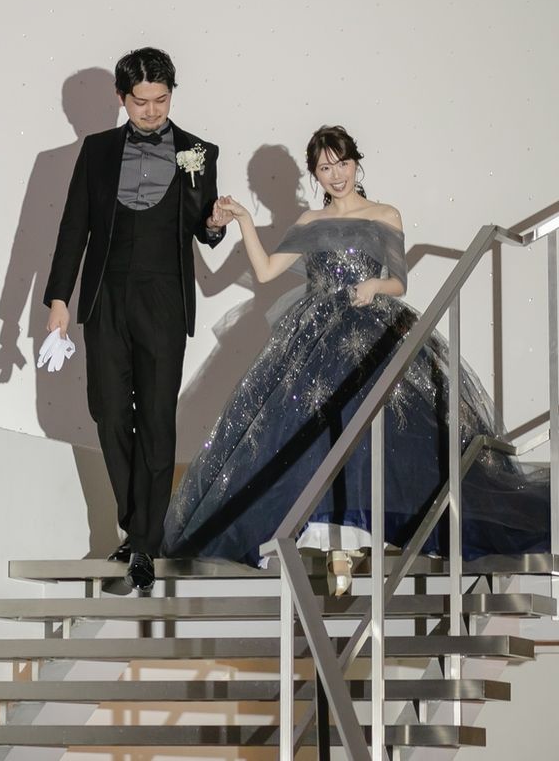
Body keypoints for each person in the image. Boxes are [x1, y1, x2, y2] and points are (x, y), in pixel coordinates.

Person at [162, 124, 550, 592]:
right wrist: (243, 218)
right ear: (314, 175)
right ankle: (334, 547)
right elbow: (264, 271)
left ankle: (366, 538)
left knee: (379, 431)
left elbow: (399, 282)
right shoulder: (309, 222)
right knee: (316, 434)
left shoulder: (385, 214)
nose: (336, 174)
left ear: (356, 163)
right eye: (325, 167)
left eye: (342, 163)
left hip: (373, 327)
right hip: (316, 334)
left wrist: (375, 285)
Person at [44, 47, 232, 592]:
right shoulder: (98, 151)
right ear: (121, 98)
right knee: (107, 410)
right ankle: (138, 523)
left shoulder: (198, 152)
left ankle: (143, 541)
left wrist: (216, 224)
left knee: (156, 418)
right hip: (106, 295)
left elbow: (204, 228)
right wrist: (59, 300)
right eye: (141, 102)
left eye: (161, 100)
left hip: (164, 298)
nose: (152, 111)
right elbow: (74, 226)